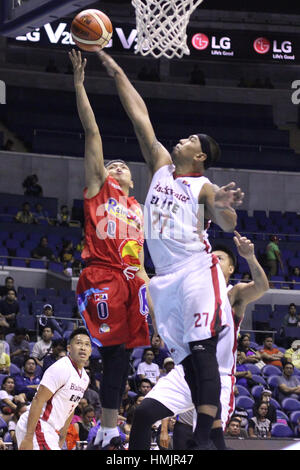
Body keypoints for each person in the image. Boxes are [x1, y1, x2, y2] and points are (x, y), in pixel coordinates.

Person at [98, 49, 245, 451]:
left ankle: (202, 437)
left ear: (198, 157)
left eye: (191, 140)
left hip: (197, 269)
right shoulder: (161, 166)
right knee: (184, 359)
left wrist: (226, 209)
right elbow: (139, 116)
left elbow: (223, 221)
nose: (182, 138)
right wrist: (113, 69)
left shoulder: (203, 188)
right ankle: (212, 437)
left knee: (202, 349)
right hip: (164, 279)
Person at [68, 49, 153, 451]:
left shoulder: (140, 209)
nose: (116, 166)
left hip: (133, 283)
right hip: (100, 273)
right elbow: (93, 134)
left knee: (122, 359)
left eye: (123, 165)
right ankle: (105, 425)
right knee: (113, 353)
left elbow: (186, 229)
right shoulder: (99, 189)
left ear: (133, 181)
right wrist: (80, 86)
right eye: (111, 163)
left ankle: (109, 428)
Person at [128, 234, 269, 450]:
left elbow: (261, 287)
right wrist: (139, 257)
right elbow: (153, 288)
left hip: (218, 378)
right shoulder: (187, 293)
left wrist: (250, 257)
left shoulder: (233, 294)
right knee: (144, 413)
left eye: (219, 259)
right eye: (210, 258)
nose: (211, 261)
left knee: (207, 443)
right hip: (185, 373)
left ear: (231, 269)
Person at [15, 327, 91, 450]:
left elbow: (71, 407)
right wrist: (29, 437)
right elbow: (38, 400)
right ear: (69, 349)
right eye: (79, 343)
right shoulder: (61, 368)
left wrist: (62, 436)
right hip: (37, 425)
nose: (83, 347)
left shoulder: (85, 379)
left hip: (50, 430)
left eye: (87, 344)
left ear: (91, 351)